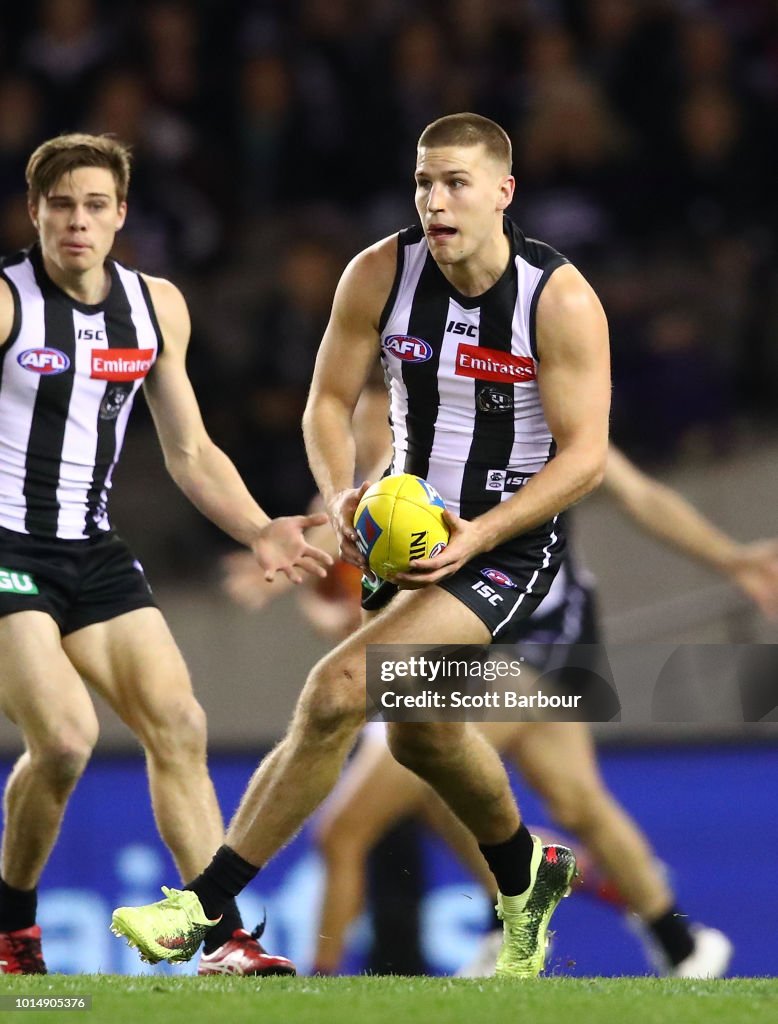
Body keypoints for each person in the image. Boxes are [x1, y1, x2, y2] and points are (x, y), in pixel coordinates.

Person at [111, 111, 612, 978]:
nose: (435, 200)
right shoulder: (379, 272)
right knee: (423, 736)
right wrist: (343, 489)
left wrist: (483, 533)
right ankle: (527, 872)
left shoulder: (556, 297)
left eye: (455, 182)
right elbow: (326, 404)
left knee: (339, 687)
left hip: (506, 547)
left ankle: (203, 906)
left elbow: (589, 457)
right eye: (423, 181)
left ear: (503, 192)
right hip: (403, 532)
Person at [0, 133, 333, 976]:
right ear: (35, 211)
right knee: (68, 740)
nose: (78, 221)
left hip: (91, 548)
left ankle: (220, 939)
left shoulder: (155, 307)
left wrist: (260, 526)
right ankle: (11, 930)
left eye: (95, 205)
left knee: (180, 724)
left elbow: (189, 452)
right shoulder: (5, 302)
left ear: (121, 215)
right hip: (5, 546)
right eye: (62, 204)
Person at [311, 444, 778, 977]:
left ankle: (499, 918)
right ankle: (679, 943)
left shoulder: (551, 420)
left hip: (536, 635)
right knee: (574, 800)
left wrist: (731, 558)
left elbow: (639, 495)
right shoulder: (420, 420)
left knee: (389, 791)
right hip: (479, 641)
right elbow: (359, 523)